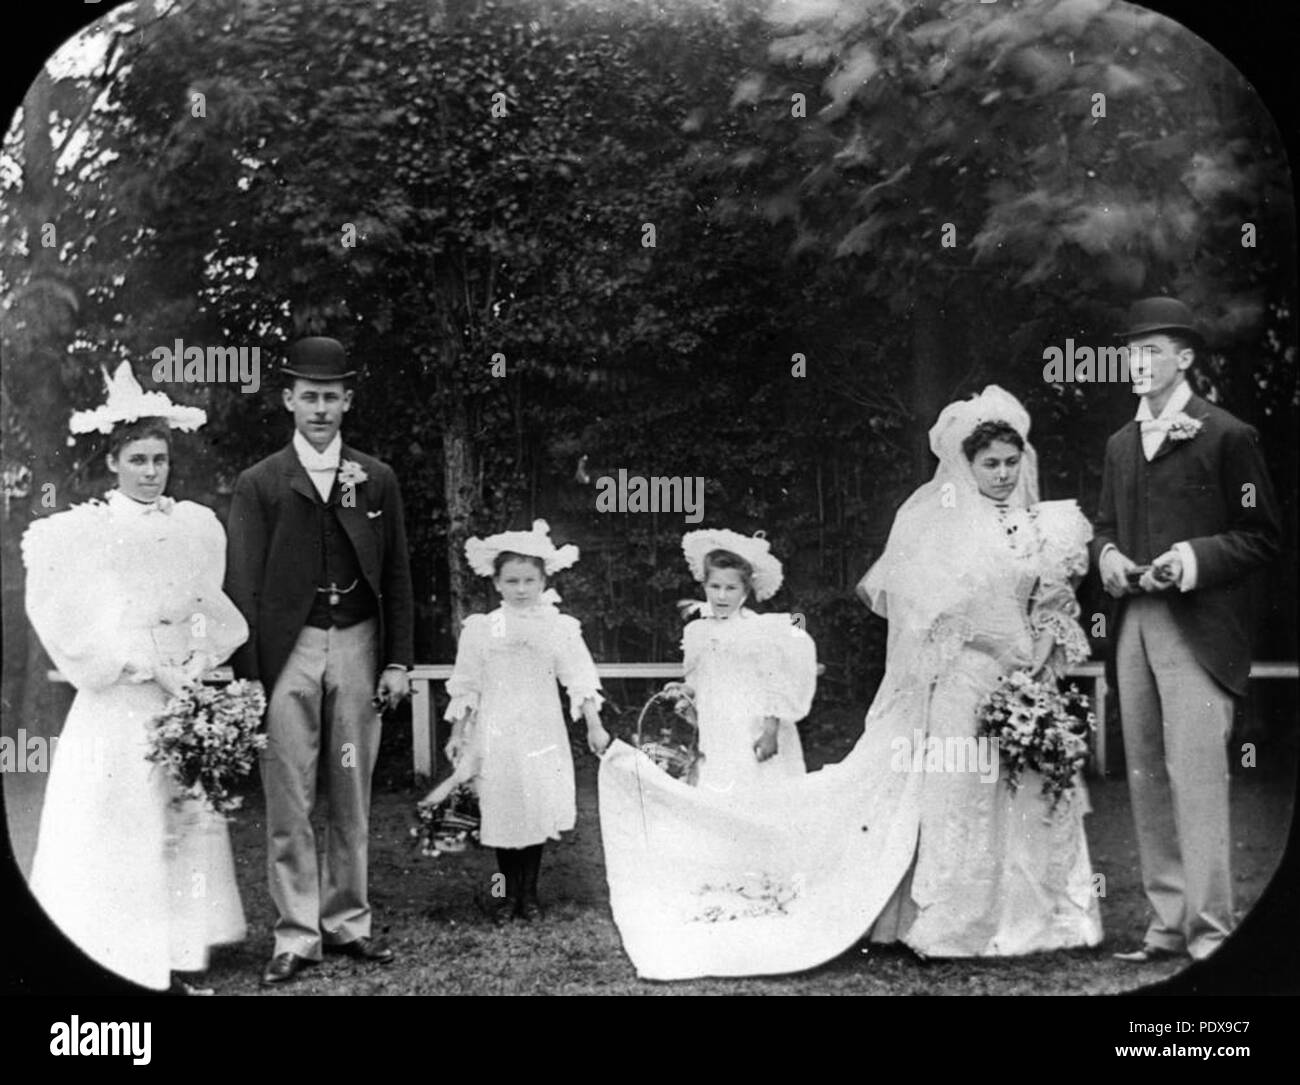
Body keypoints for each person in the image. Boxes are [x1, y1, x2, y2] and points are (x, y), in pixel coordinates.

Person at [598, 386, 1101, 980]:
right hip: (964, 677)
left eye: (1010, 463)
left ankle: (1040, 918)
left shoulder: (1048, 525)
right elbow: (931, 623)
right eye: (989, 463)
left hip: (1024, 677)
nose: (1001, 474)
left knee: (1031, 785)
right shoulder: (942, 530)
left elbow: (1052, 608)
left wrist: (1035, 666)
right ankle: (954, 920)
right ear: (966, 466)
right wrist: (976, 656)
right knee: (962, 788)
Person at [23, 363, 248, 993]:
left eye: (160, 460)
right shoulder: (81, 532)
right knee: (121, 818)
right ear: (114, 463)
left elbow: (208, 607)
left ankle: (177, 947)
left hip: (179, 694)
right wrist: (133, 661)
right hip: (120, 697)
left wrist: (193, 668)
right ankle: (113, 942)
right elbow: (65, 615)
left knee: (178, 819)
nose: (152, 472)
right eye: (139, 460)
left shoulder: (192, 526)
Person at [224, 336, 415, 986]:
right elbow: (241, 586)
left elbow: (398, 574)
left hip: (359, 642)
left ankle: (348, 922)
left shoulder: (376, 476)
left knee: (351, 791)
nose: (320, 408)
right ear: (288, 399)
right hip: (289, 650)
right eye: (309, 396)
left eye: (331, 396)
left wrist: (399, 660)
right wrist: (250, 674)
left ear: (348, 400)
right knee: (288, 794)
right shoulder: (261, 482)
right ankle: (295, 934)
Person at [1095, 297, 1280, 964]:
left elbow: (1262, 536)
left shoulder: (1228, 434)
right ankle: (1166, 925)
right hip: (1133, 628)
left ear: (1186, 359)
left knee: (1197, 778)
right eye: (1130, 352)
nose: (1137, 363)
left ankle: (1211, 933)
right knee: (1143, 773)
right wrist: (1109, 557)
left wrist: (1192, 559)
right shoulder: (1120, 443)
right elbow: (1106, 527)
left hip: (1197, 627)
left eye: (1151, 350)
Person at [428, 520, 609, 923]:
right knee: (502, 808)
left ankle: (530, 894)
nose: (522, 589)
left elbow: (579, 677)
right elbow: (468, 684)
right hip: (496, 731)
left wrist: (595, 725)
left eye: (530, 580)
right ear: (496, 583)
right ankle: (506, 894)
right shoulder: (483, 628)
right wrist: (459, 732)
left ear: (544, 579)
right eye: (512, 581)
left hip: (540, 728)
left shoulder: (559, 626)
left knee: (534, 807)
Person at [674, 530, 815, 794]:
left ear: (746, 590)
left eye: (731, 588)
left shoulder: (760, 630)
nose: (722, 596)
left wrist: (771, 730)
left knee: (755, 783)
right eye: (715, 587)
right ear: (704, 586)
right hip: (716, 722)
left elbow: (775, 680)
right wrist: (685, 694)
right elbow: (696, 678)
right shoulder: (697, 632)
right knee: (717, 783)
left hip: (751, 721)